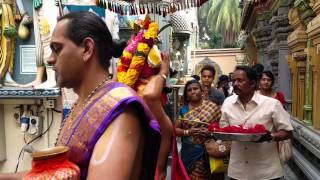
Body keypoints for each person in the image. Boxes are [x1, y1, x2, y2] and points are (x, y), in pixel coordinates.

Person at [0, 11, 160, 180]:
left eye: (57, 49)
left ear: (87, 49)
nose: (49, 59)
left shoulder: (120, 110)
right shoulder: (84, 102)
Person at [219, 66, 293, 180]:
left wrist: (270, 136)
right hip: (238, 171)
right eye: (233, 80)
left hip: (266, 172)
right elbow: (223, 130)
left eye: (240, 80)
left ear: (253, 83)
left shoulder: (272, 104)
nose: (235, 84)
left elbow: (288, 132)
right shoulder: (228, 103)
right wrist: (213, 134)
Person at [175, 79, 222, 179]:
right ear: (186, 94)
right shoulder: (183, 110)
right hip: (189, 152)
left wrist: (210, 133)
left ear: (201, 91)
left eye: (195, 88)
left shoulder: (212, 107)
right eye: (189, 90)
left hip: (209, 151)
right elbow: (175, 130)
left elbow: (222, 128)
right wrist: (188, 132)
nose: (193, 91)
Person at [142, 54, 173, 180]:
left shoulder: (163, 124)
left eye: (145, 81)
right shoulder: (128, 111)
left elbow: (150, 95)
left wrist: (163, 73)